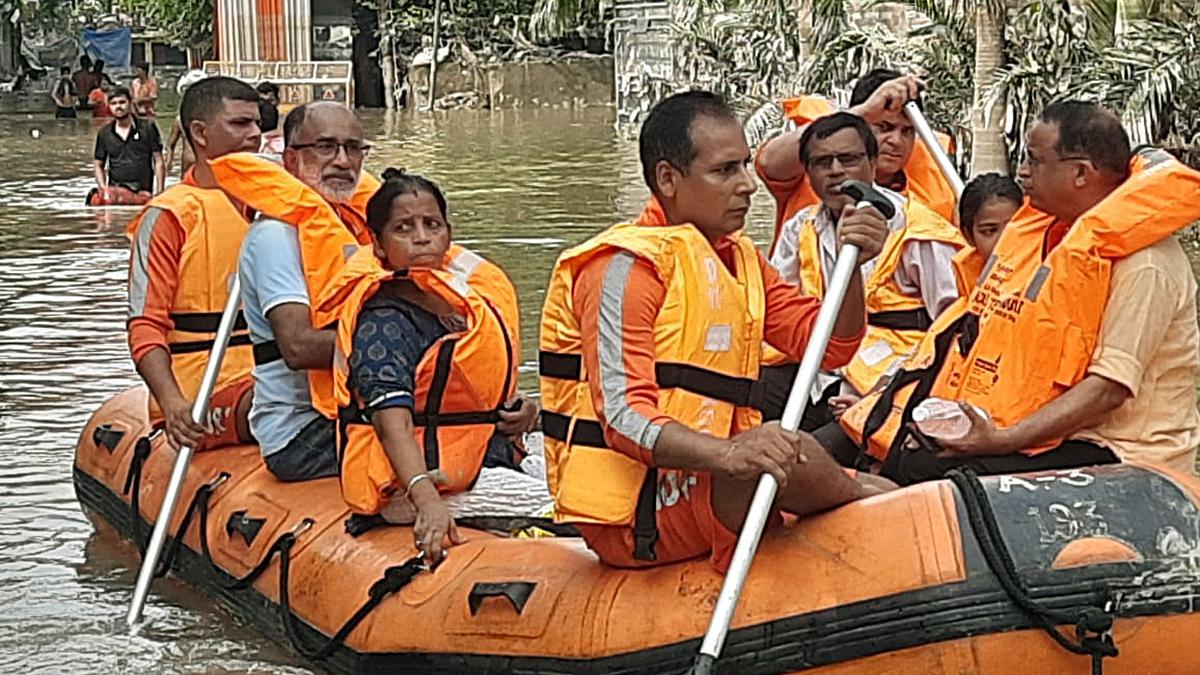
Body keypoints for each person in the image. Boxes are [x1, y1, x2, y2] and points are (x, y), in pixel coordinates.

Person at [539, 91, 894, 573]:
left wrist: (853, 267)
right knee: (791, 454)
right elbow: (623, 416)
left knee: (853, 478)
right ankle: (854, 497)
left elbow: (832, 347)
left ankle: (866, 503)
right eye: (726, 171)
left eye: (746, 165)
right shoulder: (622, 269)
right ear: (668, 179)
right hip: (640, 512)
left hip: (713, 477)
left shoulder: (739, 258)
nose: (748, 185)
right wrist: (729, 455)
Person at [835, 101, 1200, 482]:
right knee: (912, 450)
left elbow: (1108, 389)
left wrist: (999, 440)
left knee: (937, 471)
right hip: (1061, 429)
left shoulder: (1146, 265)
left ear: (1080, 173)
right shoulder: (1051, 237)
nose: (1022, 172)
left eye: (1034, 160)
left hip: (1123, 448)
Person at [328, 169, 536, 558]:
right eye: (403, 228)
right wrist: (427, 501)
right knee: (559, 501)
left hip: (479, 463)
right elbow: (393, 425)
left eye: (432, 225)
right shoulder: (382, 321)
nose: (422, 237)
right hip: (416, 485)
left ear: (449, 234)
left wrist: (525, 411)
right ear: (378, 245)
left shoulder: (458, 305)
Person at [762, 112, 963, 428]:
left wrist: (889, 391)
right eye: (822, 162)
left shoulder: (919, 231)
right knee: (741, 393)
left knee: (807, 458)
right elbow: (774, 309)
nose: (836, 171)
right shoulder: (799, 229)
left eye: (849, 159)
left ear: (872, 163)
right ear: (809, 173)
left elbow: (957, 329)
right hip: (816, 376)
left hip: (889, 386)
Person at [219, 101, 381, 481]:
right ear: (291, 160)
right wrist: (403, 346)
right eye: (325, 147)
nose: (343, 160)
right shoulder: (275, 235)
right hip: (301, 432)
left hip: (360, 412)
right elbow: (298, 347)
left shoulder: (364, 229)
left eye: (353, 148)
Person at [125, 76, 264, 451]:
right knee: (276, 406)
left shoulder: (280, 210)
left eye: (258, 122)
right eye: (240, 124)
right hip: (203, 387)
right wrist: (172, 404)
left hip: (269, 376)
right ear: (200, 133)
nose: (256, 135)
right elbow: (145, 326)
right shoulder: (169, 216)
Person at [756, 69, 958, 253]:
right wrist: (864, 112)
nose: (896, 141)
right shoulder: (817, 165)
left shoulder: (941, 179)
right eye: (884, 127)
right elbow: (768, 162)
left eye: (906, 131)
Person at [951, 173, 1022, 295]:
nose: (1003, 240)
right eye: (989, 231)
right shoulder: (958, 281)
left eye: (1013, 228)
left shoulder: (1045, 269)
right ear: (968, 236)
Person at [92, 86, 164, 199]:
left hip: (143, 191)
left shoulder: (147, 128)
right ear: (109, 106)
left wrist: (160, 192)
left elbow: (159, 160)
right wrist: (103, 189)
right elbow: (98, 164)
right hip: (116, 192)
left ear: (130, 103)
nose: (118, 107)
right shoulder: (104, 133)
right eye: (114, 103)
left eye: (122, 102)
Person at [165, 70, 207, 177]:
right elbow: (170, 144)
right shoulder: (180, 120)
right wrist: (168, 162)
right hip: (187, 168)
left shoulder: (212, 120)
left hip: (207, 167)